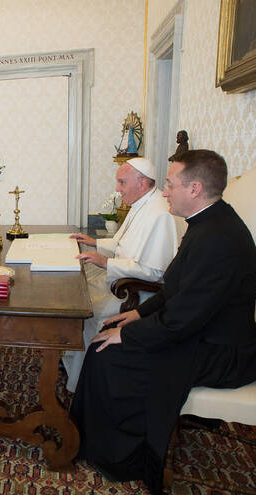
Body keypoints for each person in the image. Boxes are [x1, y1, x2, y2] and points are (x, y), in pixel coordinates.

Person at [70, 150, 256, 495]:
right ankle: (89, 440)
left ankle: (121, 456)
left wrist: (129, 334)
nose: (164, 192)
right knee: (107, 341)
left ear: (194, 188)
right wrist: (138, 314)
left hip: (223, 350)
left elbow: (183, 319)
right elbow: (176, 287)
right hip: (202, 331)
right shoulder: (208, 225)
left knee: (108, 353)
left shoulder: (217, 239)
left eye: (169, 184)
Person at [62, 158, 181, 392]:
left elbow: (155, 272)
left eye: (122, 182)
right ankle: (72, 360)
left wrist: (106, 262)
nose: (117, 188)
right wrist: (95, 243)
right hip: (121, 280)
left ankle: (87, 378)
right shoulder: (141, 203)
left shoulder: (159, 214)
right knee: (73, 287)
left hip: (138, 293)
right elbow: (123, 245)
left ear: (143, 182)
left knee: (83, 304)